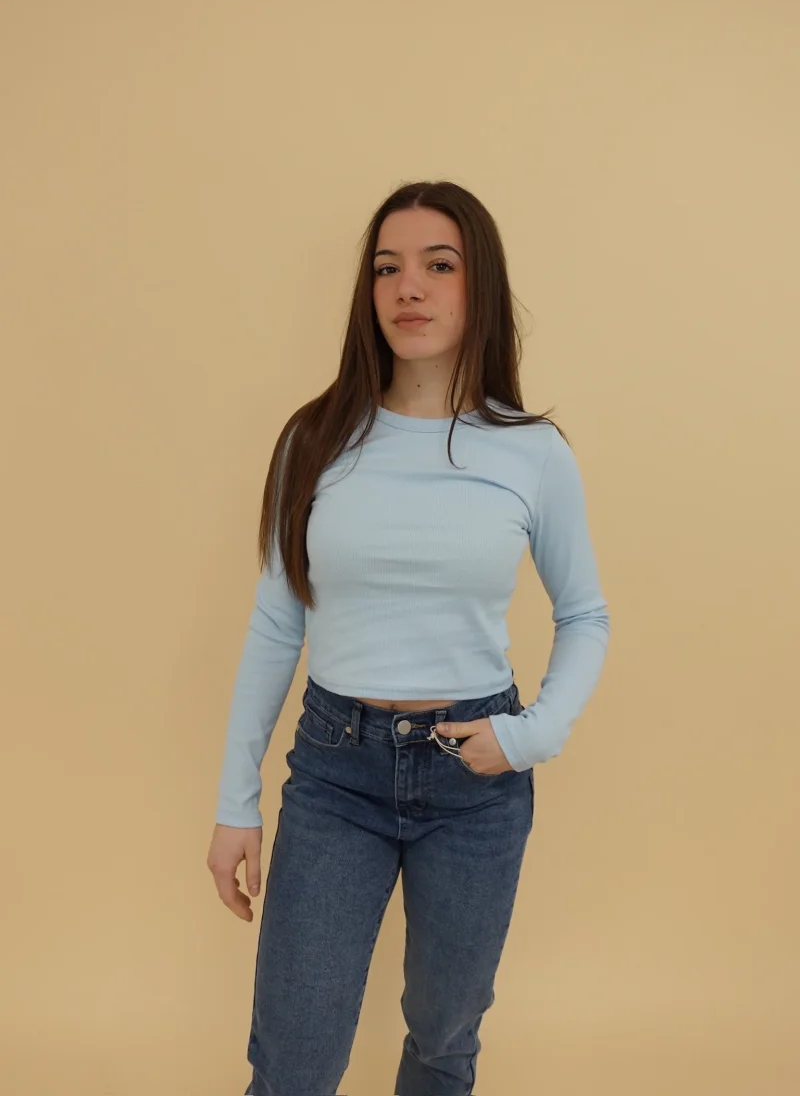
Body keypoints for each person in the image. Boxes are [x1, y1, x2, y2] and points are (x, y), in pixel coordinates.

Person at [207, 179, 611, 1096]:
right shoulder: (315, 440)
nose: (409, 288)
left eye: (439, 265)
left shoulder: (532, 452)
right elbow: (276, 622)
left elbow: (585, 613)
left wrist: (532, 734)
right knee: (294, 1059)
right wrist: (237, 805)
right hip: (335, 773)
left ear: (481, 286)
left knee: (442, 1039)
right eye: (387, 268)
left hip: (476, 781)